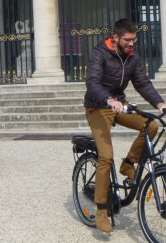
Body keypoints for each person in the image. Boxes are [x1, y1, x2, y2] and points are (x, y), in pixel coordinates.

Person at [84, 18, 166, 233]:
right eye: (128, 40)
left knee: (152, 126)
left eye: (134, 40)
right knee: (105, 156)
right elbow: (92, 82)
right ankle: (102, 210)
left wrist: (159, 103)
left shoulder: (132, 56)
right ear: (116, 37)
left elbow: (142, 83)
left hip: (120, 104)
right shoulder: (100, 53)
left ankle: (128, 164)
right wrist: (108, 99)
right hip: (98, 106)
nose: (131, 44)